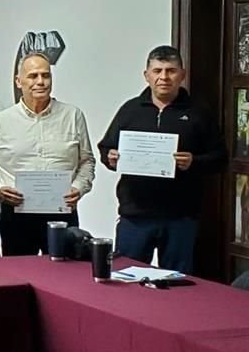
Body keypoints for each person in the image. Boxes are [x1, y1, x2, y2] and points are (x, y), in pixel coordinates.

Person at [97, 45, 226, 274]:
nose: (163, 77)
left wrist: (194, 162)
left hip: (180, 217)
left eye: (170, 71)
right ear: (146, 75)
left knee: (176, 281)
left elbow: (220, 158)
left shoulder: (198, 112)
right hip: (135, 216)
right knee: (127, 278)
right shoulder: (130, 110)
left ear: (182, 75)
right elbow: (106, 147)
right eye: (157, 71)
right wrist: (111, 158)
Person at [0, 52, 95, 256]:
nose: (40, 82)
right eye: (33, 76)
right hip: (16, 213)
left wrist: (79, 188)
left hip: (62, 212)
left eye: (46, 75)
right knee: (19, 276)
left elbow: (87, 161)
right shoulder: (0, 121)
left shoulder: (73, 115)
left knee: (65, 275)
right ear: (18, 81)